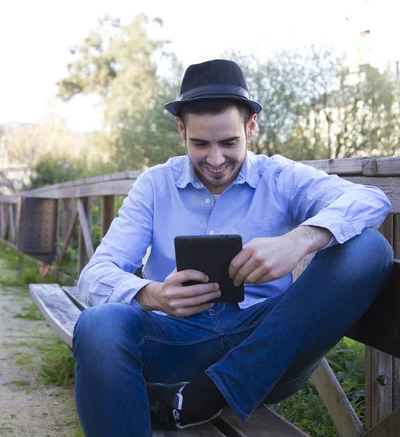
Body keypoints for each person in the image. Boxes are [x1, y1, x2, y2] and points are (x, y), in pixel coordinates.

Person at [73, 59, 394, 437]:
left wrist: (298, 241)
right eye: (200, 144)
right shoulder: (155, 186)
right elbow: (94, 275)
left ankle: (206, 396)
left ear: (251, 127)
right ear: (181, 131)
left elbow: (372, 199)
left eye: (229, 142)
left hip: (268, 343)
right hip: (175, 341)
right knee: (96, 324)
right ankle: (196, 396)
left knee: (370, 248)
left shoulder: (279, 177)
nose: (215, 159)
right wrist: (154, 295)